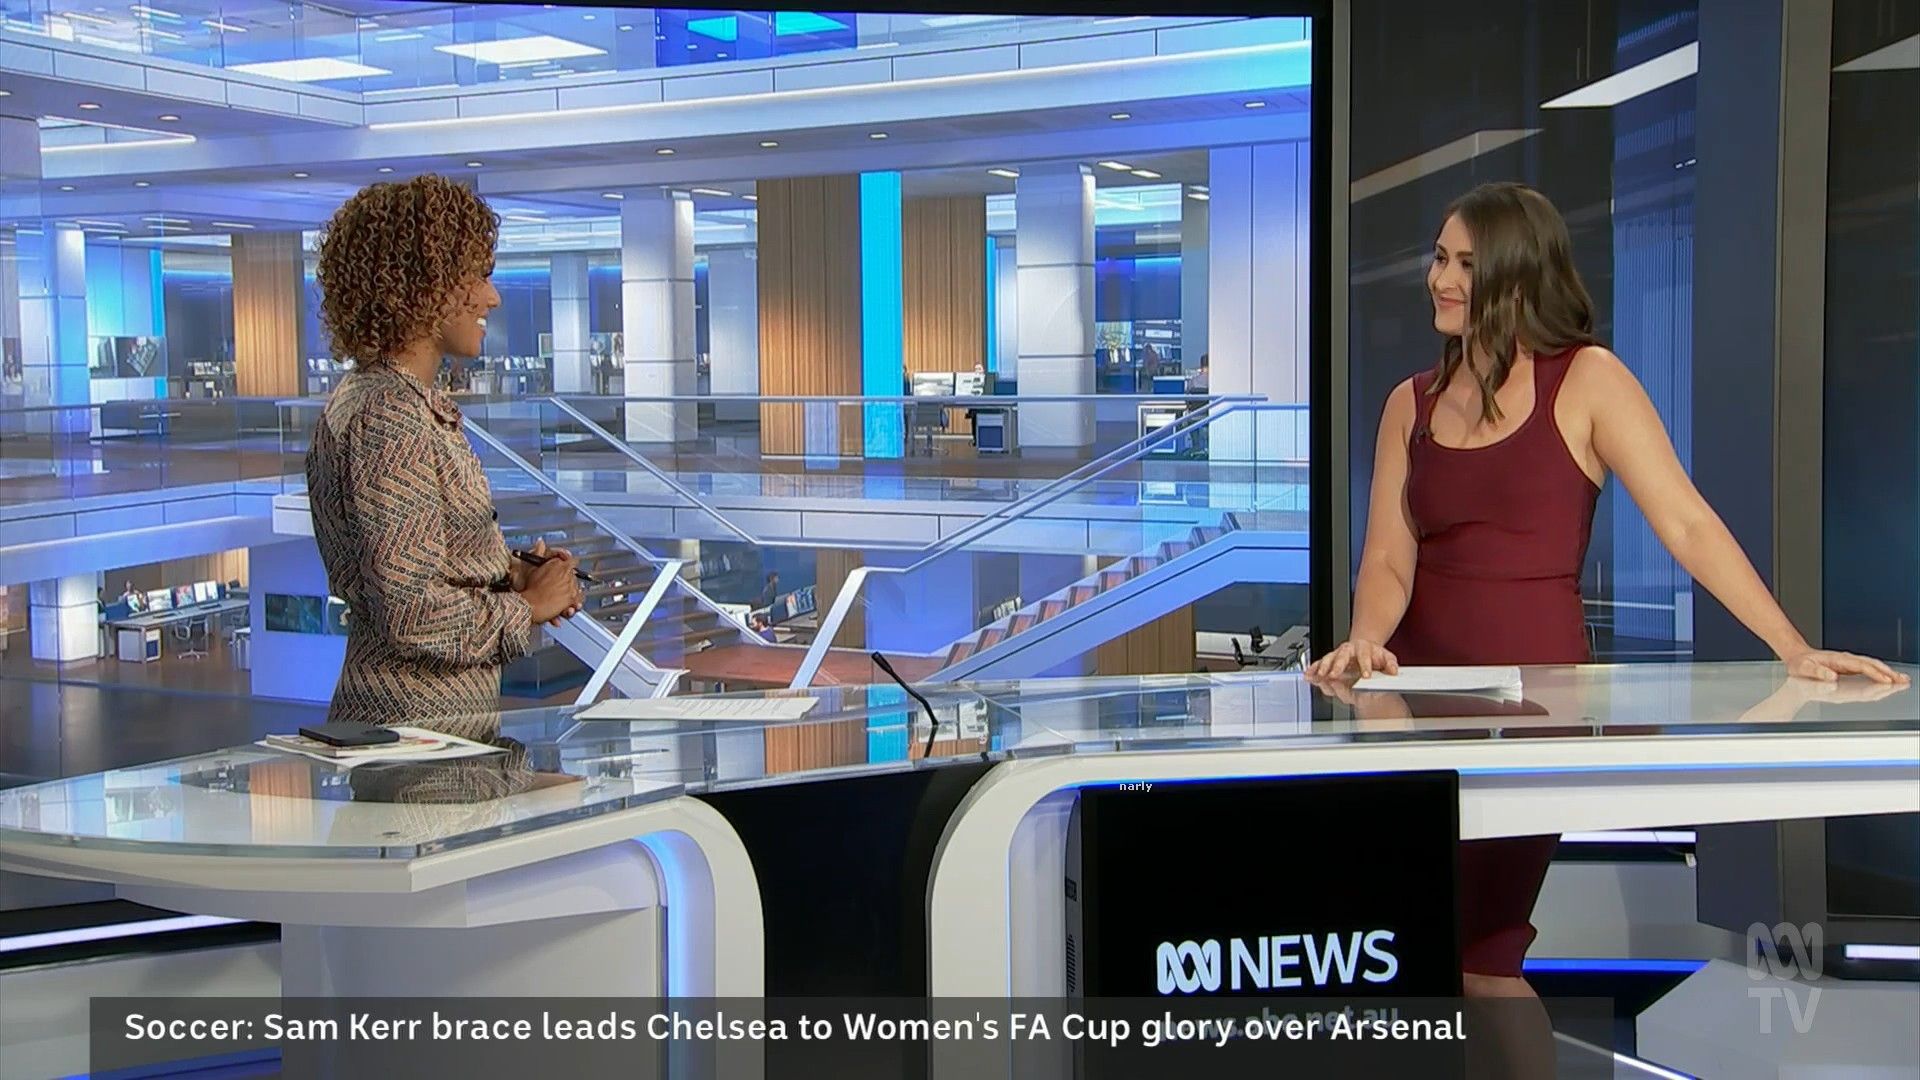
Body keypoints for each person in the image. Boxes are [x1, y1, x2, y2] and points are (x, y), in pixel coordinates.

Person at [1307, 182, 1905, 1070]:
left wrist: (1792, 646)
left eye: (1466, 263)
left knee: (1481, 957)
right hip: (1419, 703)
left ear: (1517, 277)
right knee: (1420, 952)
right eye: (1439, 258)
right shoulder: (1411, 403)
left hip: (1533, 710)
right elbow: (1390, 560)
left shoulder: (1587, 380)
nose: (1440, 279)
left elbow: (1686, 522)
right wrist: (1366, 640)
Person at [306, 175, 584, 729]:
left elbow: (420, 570)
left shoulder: (392, 401)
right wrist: (528, 607)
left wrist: (508, 572)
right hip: (412, 735)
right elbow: (410, 614)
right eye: (477, 275)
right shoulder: (389, 417)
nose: (492, 297)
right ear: (423, 284)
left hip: (431, 731)